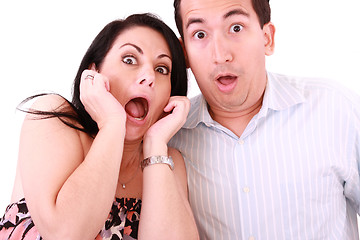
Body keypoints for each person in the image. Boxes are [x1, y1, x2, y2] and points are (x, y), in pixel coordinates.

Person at [169, 0, 360, 239]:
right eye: (199, 34)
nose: (220, 55)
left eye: (236, 28)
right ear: (184, 53)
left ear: (267, 38)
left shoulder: (334, 108)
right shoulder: (169, 139)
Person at [0, 13, 199, 240]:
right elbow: (65, 233)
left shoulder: (168, 160)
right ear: (94, 73)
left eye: (162, 69)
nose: (148, 76)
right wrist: (112, 124)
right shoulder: (52, 118)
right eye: (130, 59)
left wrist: (155, 145)